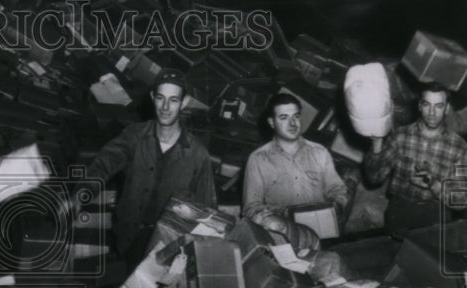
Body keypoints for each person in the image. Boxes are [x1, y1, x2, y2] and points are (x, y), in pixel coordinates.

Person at [80, 68, 216, 268]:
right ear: (153, 98)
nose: (166, 107)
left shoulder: (198, 155)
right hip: (126, 239)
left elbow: (208, 209)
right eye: (161, 98)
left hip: (167, 247)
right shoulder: (134, 136)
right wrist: (80, 196)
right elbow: (103, 165)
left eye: (174, 100)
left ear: (184, 103)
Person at [363, 82, 467, 232]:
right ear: (419, 106)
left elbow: (463, 201)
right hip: (400, 210)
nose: (432, 112)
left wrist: (433, 185)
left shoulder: (458, 146)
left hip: (436, 214)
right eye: (427, 105)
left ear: (447, 109)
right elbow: (374, 178)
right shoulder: (400, 136)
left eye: (439, 106)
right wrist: (376, 145)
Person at [242, 92, 350, 222]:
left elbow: (338, 190)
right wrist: (268, 217)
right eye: (284, 117)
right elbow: (251, 207)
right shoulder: (258, 159)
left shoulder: (320, 152)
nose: (292, 123)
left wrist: (336, 205)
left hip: (319, 226)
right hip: (281, 230)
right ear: (272, 122)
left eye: (296, 116)